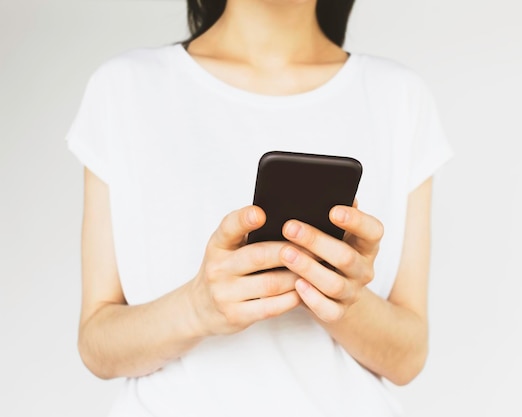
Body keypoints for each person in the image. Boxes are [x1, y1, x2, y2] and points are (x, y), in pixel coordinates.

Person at [65, 0, 453, 416]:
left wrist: (341, 298)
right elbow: (96, 345)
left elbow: (408, 357)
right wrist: (198, 307)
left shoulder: (398, 97)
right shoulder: (125, 89)